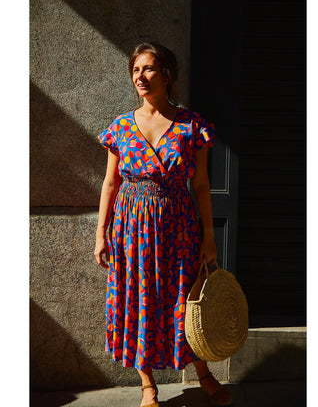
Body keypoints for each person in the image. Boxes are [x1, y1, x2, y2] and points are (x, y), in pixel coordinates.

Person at [94, 42, 232, 407]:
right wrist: (101, 233)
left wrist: (209, 237)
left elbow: (200, 185)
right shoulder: (121, 127)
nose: (140, 76)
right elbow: (110, 184)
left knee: (183, 300)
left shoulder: (192, 126)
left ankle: (203, 374)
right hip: (131, 230)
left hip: (178, 227)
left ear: (167, 75)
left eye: (148, 68)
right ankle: (147, 385)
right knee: (137, 298)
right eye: (136, 70)